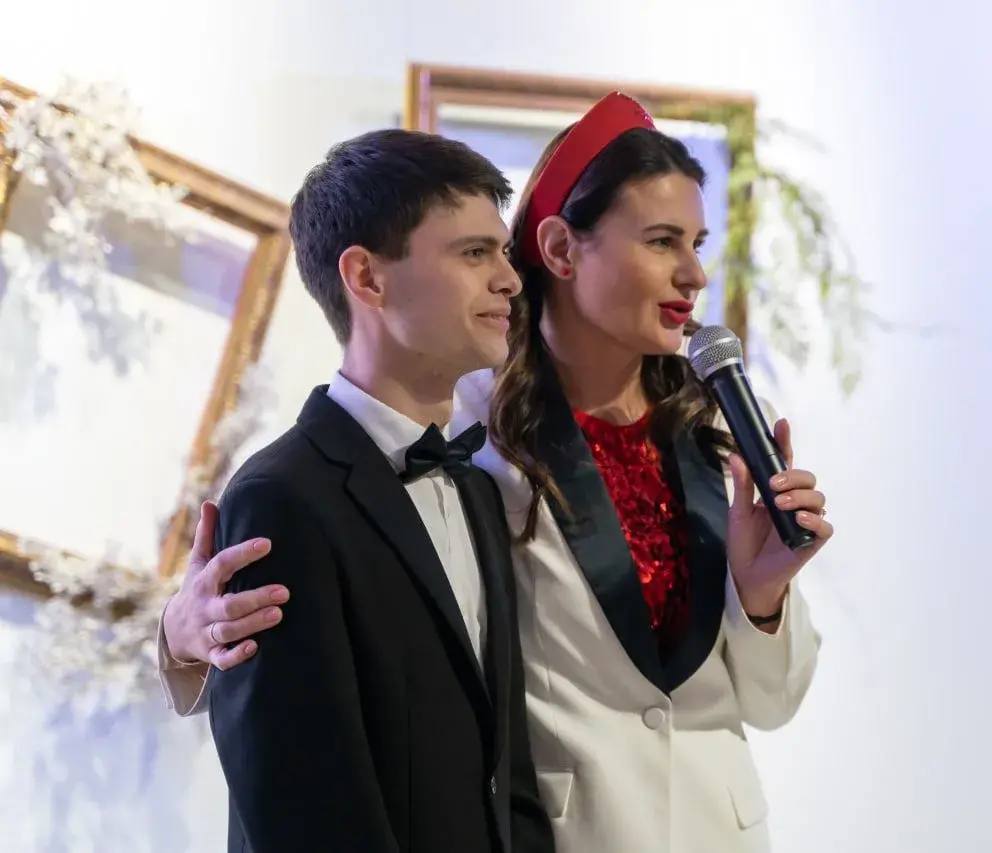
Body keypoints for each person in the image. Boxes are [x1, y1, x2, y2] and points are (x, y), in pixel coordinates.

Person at [160, 93, 833, 852]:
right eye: (660, 240)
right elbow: (320, 576)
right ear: (561, 248)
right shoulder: (471, 420)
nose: (693, 274)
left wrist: (764, 598)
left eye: (698, 242)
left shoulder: (719, 424)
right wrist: (179, 633)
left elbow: (773, 701)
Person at [178, 128, 553, 852]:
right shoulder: (281, 498)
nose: (509, 280)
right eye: (475, 253)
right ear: (367, 278)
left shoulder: (477, 488)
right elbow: (299, 805)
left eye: (504, 253)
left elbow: (509, 776)